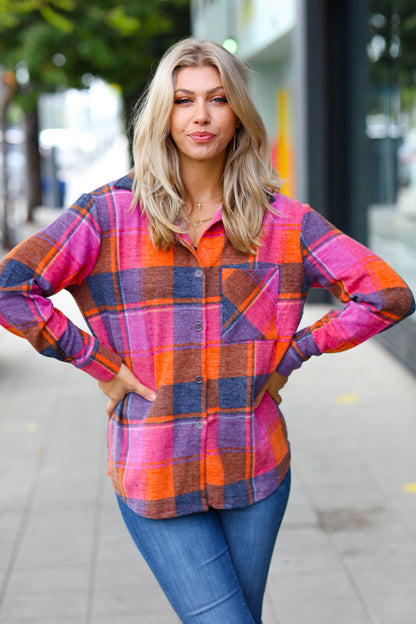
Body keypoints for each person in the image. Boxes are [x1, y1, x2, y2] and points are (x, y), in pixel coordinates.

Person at [0, 38, 414, 624]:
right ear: (162, 115)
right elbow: (11, 287)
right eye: (183, 100)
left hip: (255, 469)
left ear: (238, 112)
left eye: (218, 99)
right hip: (155, 468)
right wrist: (97, 362)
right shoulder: (108, 215)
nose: (200, 115)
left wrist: (294, 353)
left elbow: (388, 293)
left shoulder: (282, 221)